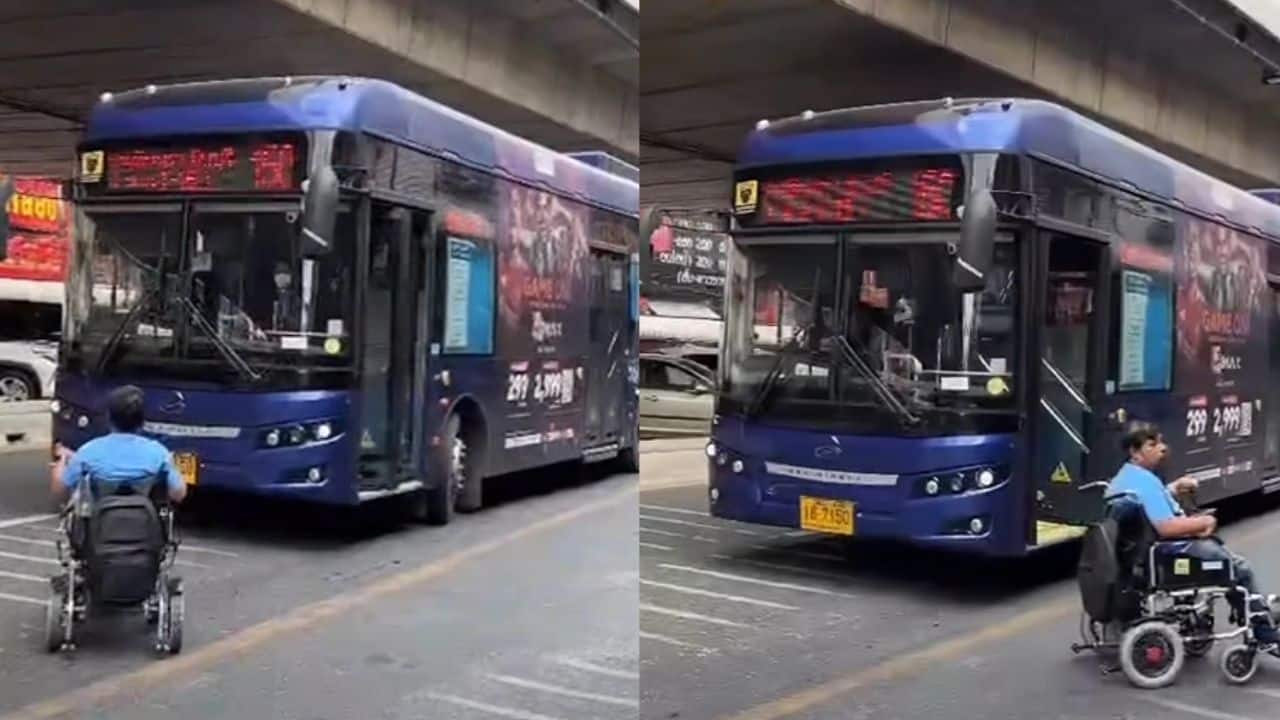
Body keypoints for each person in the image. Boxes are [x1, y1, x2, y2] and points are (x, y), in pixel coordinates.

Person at [1107, 423, 1277, 645]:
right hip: (1169, 553)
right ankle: (1262, 627)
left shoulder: (1126, 478)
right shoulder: (1145, 483)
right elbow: (1166, 527)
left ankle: (1259, 610)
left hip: (1143, 554)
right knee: (1238, 568)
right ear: (1135, 452)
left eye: (1160, 442)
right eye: (1153, 444)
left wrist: (1174, 488)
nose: (1162, 448)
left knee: (1226, 558)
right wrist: (1203, 522)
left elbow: (1150, 504)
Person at [49, 385, 187, 508]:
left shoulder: (89, 451)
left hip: (101, 528)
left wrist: (61, 461)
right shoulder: (158, 453)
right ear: (142, 422)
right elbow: (178, 494)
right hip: (144, 528)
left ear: (109, 418)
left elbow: (59, 489)